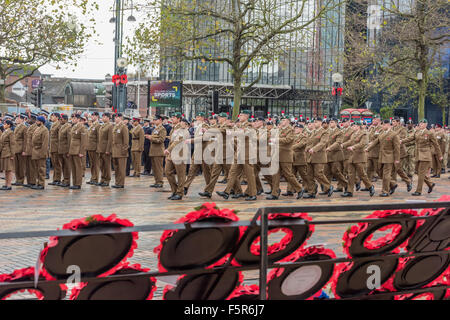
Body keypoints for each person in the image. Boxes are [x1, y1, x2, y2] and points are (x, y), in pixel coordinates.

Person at [401, 119, 442, 196]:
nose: (421, 124)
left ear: (426, 124)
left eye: (423, 123)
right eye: (420, 123)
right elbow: (410, 138)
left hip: (425, 156)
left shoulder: (429, 133)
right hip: (418, 155)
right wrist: (401, 141)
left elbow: (436, 144)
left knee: (421, 173)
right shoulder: (417, 132)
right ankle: (430, 184)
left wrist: (440, 155)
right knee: (417, 171)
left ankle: (418, 191)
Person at [366, 120, 400, 197]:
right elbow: (375, 141)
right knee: (380, 173)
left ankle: (385, 191)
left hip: (389, 157)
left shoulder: (394, 134)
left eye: (384, 125)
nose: (382, 126)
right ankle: (393, 184)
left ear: (388, 125)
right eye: (382, 125)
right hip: (381, 156)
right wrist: (368, 149)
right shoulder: (382, 133)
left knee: (386, 175)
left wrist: (397, 158)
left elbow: (397, 148)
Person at [341, 121, 375, 197]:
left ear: (359, 126)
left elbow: (363, 144)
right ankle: (350, 191)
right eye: (353, 126)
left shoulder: (364, 134)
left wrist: (353, 147)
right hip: (352, 157)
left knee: (362, 174)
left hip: (359, 156)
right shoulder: (353, 134)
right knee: (350, 175)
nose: (353, 127)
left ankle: (370, 186)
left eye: (355, 126)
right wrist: (343, 145)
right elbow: (350, 141)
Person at [165, 115, 189, 200]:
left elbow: (178, 141)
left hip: (180, 154)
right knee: (168, 172)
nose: (172, 118)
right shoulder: (174, 128)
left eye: (174, 117)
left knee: (181, 175)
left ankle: (180, 193)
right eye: (172, 117)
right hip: (171, 155)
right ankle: (174, 191)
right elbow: (171, 140)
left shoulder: (183, 129)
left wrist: (168, 149)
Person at [146, 115, 167, 188]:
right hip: (153, 151)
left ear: (160, 120)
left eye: (156, 120)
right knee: (154, 168)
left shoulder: (162, 129)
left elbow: (161, 140)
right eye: (154, 120)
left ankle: (160, 182)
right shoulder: (155, 129)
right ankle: (156, 181)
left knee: (158, 168)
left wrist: (151, 138)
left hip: (158, 151)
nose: (154, 121)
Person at [68, 114, 87, 190]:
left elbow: (83, 141)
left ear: (79, 119)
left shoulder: (82, 127)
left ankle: (78, 183)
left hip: (78, 150)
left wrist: (81, 151)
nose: (73, 119)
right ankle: (74, 182)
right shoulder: (73, 126)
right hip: (72, 150)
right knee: (73, 167)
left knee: (78, 168)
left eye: (75, 118)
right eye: (72, 118)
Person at [31, 116, 49, 190]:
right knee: (36, 168)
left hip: (40, 151)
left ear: (41, 122)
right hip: (35, 151)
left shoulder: (45, 130)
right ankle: (38, 183)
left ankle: (41, 184)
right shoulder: (37, 128)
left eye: (37, 121)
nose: (36, 122)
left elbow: (45, 143)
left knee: (41, 168)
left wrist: (43, 153)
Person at [111, 113, 129, 188]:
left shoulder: (123, 127)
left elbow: (126, 141)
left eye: (117, 117)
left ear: (121, 118)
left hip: (121, 151)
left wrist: (124, 151)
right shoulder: (115, 126)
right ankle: (117, 182)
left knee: (121, 168)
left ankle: (121, 183)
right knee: (116, 168)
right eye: (115, 117)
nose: (116, 118)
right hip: (115, 150)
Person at [97, 112, 114, 187]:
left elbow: (110, 139)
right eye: (102, 117)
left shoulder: (110, 126)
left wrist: (108, 149)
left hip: (106, 149)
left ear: (108, 118)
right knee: (101, 165)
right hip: (101, 148)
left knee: (107, 165)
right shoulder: (102, 126)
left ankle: (107, 180)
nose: (102, 118)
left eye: (104, 117)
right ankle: (102, 179)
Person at [0, 119, 16, 190]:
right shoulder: (4, 132)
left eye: (5, 124)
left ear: (9, 125)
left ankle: (9, 185)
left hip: (8, 153)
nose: (4, 125)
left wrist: (12, 155)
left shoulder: (10, 133)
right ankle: (6, 184)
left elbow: (12, 144)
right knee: (6, 170)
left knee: (9, 170)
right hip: (4, 153)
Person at [86, 112, 101, 185]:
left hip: (95, 148)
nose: (92, 117)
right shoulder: (92, 125)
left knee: (96, 164)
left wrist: (98, 148)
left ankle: (96, 178)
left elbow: (99, 138)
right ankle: (92, 177)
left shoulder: (98, 125)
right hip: (90, 147)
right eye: (92, 115)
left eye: (94, 115)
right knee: (92, 164)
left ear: (97, 116)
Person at [12, 114, 27, 186]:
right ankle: (17, 179)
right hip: (15, 148)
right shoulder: (16, 127)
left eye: (18, 118)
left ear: (22, 119)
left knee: (21, 166)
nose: (17, 119)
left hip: (21, 149)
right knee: (16, 165)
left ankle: (21, 180)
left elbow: (25, 140)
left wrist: (24, 150)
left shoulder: (24, 127)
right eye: (17, 118)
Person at [57, 114, 72, 187]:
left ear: (66, 120)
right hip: (61, 149)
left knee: (67, 166)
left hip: (66, 150)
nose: (60, 120)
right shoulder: (62, 126)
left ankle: (67, 180)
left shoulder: (68, 127)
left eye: (61, 119)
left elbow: (69, 139)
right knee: (63, 166)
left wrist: (69, 151)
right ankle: (64, 179)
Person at [48, 113, 62, 186]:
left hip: (56, 147)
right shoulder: (53, 124)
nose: (51, 117)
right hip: (52, 147)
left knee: (57, 164)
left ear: (57, 117)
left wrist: (59, 148)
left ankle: (58, 179)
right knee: (54, 164)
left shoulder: (58, 125)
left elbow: (59, 138)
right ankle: (55, 179)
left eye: (52, 116)